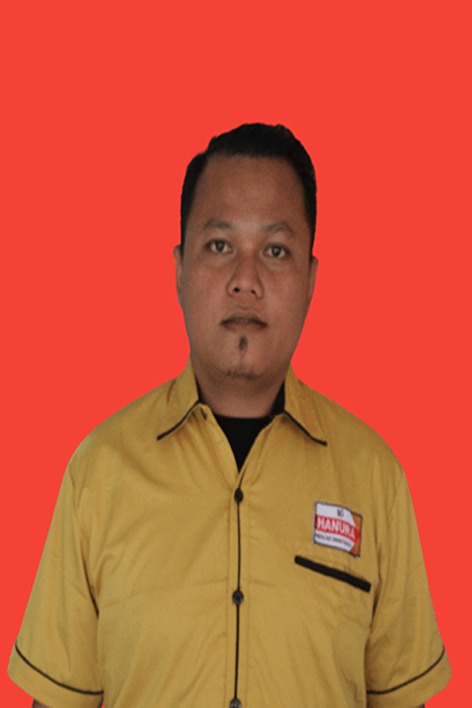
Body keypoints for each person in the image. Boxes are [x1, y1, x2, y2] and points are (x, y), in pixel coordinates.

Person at [9, 124, 450, 707]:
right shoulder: (99, 471)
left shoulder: (373, 477)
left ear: (311, 280)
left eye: (275, 251)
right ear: (179, 270)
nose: (246, 280)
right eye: (219, 246)